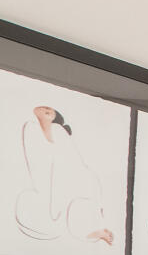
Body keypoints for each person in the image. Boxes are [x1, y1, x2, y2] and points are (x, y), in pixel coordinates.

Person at [14, 105, 116, 247]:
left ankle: (93, 229)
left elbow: (61, 154)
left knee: (75, 205)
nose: (46, 111)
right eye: (45, 109)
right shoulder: (32, 127)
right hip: (54, 182)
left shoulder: (58, 131)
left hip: (72, 179)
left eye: (49, 112)